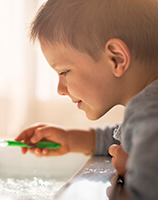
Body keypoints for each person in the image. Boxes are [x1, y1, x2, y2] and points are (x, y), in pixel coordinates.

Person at [15, 0, 158, 199]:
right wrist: (72, 140)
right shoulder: (146, 110)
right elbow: (127, 132)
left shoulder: (149, 111)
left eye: (64, 72)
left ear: (116, 58)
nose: (60, 90)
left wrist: (133, 167)